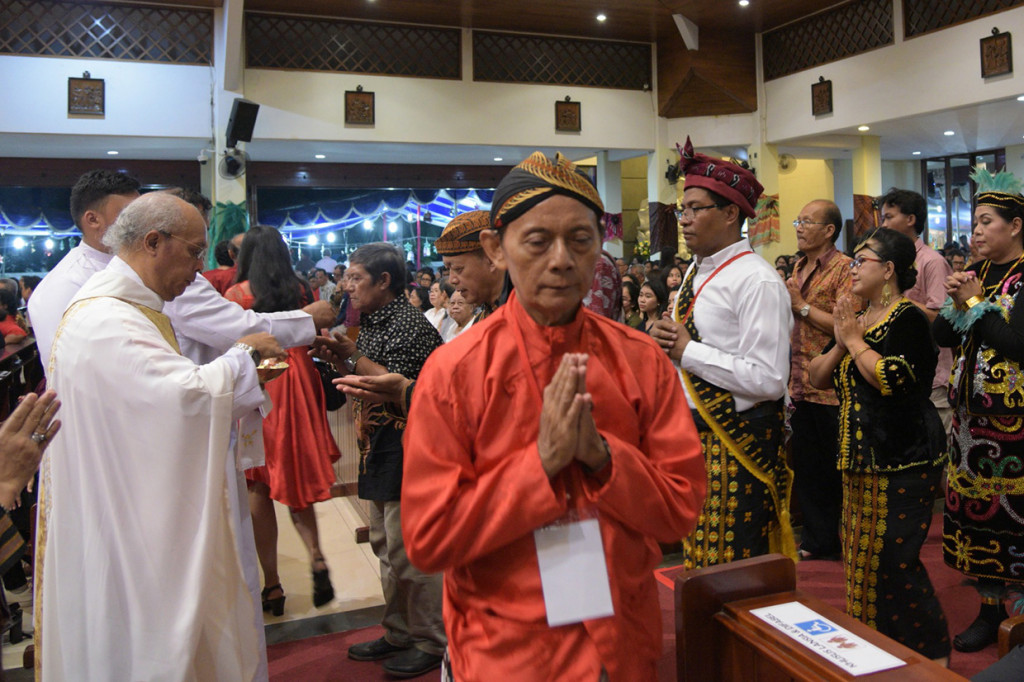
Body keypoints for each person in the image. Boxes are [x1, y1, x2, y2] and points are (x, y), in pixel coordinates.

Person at [401, 150, 706, 681]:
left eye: (580, 240)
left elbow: (680, 510)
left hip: (622, 637)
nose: (562, 260)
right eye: (538, 241)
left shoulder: (638, 360)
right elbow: (429, 539)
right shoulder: (455, 373)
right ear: (497, 248)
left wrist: (603, 458)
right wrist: (539, 464)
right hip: (509, 651)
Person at [29, 176, 333, 682]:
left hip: (135, 487)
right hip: (134, 508)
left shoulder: (118, 304)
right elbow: (182, 399)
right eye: (193, 252)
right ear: (153, 243)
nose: (199, 268)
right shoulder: (108, 318)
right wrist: (247, 356)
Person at [652, 137, 795, 569]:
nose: (685, 219)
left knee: (731, 565)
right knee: (700, 558)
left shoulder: (757, 281)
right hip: (693, 436)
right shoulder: (697, 270)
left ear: (732, 213)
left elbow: (769, 379)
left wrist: (687, 350)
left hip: (737, 439)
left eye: (696, 209)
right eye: (683, 209)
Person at [808, 227, 950, 663]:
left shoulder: (906, 317)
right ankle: (876, 648)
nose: (852, 267)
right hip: (860, 458)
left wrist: (852, 340)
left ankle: (930, 655)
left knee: (895, 562)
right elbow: (817, 376)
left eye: (861, 260)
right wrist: (842, 336)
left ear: (888, 270)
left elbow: (894, 379)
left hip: (903, 457)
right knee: (861, 559)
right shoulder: (861, 316)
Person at [311, 243, 445, 679]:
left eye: (355, 278)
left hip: (411, 445)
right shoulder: (370, 322)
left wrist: (350, 355)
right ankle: (398, 631)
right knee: (385, 545)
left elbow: (397, 387)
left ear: (384, 281)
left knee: (412, 551)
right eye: (346, 278)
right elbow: (359, 381)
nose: (346, 286)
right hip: (380, 445)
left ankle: (431, 639)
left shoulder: (409, 323)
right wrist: (337, 361)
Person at [225, 225, 342, 614]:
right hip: (300, 379)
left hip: (263, 380)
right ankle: (316, 555)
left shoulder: (237, 295)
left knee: (258, 479)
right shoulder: (301, 290)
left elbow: (234, 346)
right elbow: (309, 337)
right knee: (295, 471)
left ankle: (272, 584)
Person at [933, 170, 1024, 653]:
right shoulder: (979, 275)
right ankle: (990, 612)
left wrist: (976, 305)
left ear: (1015, 225)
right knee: (979, 522)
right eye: (975, 221)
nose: (977, 231)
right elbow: (943, 340)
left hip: (1018, 429)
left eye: (987, 221)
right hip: (971, 427)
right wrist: (956, 303)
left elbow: (1016, 344)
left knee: (1019, 521)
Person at [786, 200, 853, 561]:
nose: (799, 227)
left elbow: (847, 326)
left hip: (831, 388)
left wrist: (802, 307)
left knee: (834, 470)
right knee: (808, 469)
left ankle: (844, 538)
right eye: (799, 220)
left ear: (829, 230)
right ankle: (816, 540)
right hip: (799, 385)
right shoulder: (797, 266)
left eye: (807, 221)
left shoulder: (845, 269)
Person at [29, 169, 140, 368]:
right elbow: (70, 365)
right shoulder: (66, 283)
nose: (140, 224)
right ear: (93, 220)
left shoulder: (133, 264)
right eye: (129, 216)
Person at [879, 188, 954, 435]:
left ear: (910, 220)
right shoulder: (884, 263)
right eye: (883, 218)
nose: (884, 224)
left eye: (889, 217)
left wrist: (897, 301)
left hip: (931, 377)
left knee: (935, 455)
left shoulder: (931, 261)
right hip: (896, 371)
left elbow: (941, 319)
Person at [435, 210, 505, 320]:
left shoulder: (527, 316)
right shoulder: (483, 317)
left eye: (458, 269)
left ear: (491, 259)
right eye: (448, 269)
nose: (452, 280)